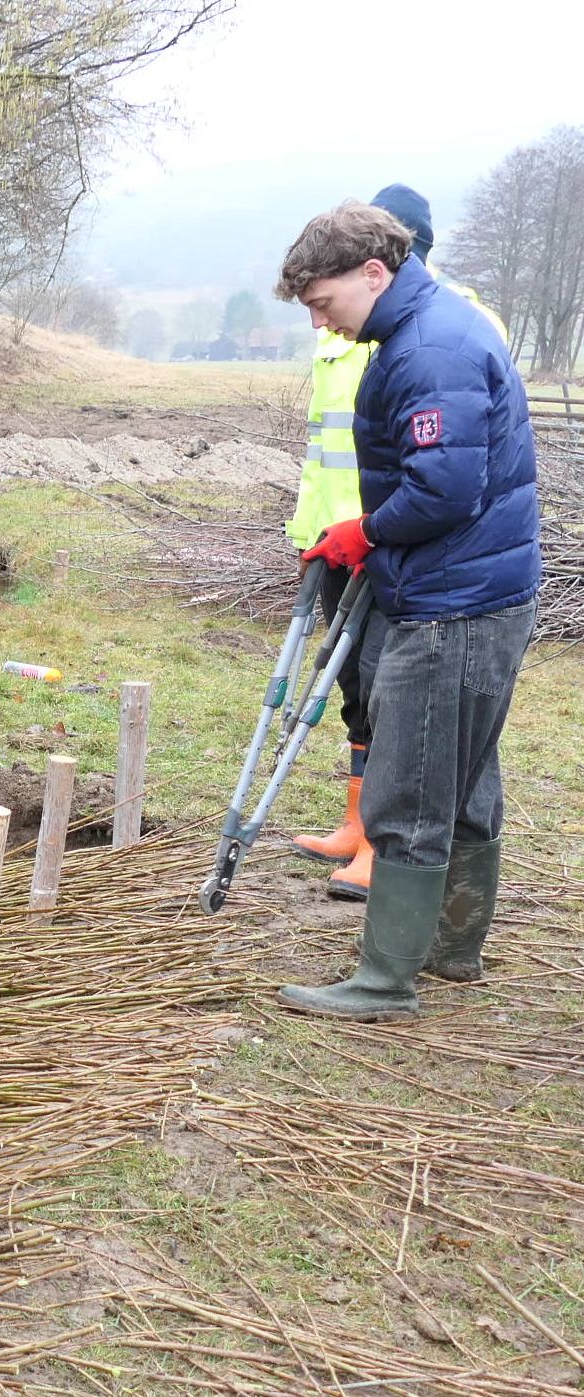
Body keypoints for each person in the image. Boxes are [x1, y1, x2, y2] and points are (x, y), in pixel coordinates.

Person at [273, 203, 539, 1019]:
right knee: (463, 774)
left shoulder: (429, 351)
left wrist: (367, 531)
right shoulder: (427, 330)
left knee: (412, 783)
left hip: (452, 602)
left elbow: (444, 489)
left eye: (323, 302)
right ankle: (453, 948)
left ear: (372, 273)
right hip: (481, 590)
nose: (321, 321)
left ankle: (386, 980)